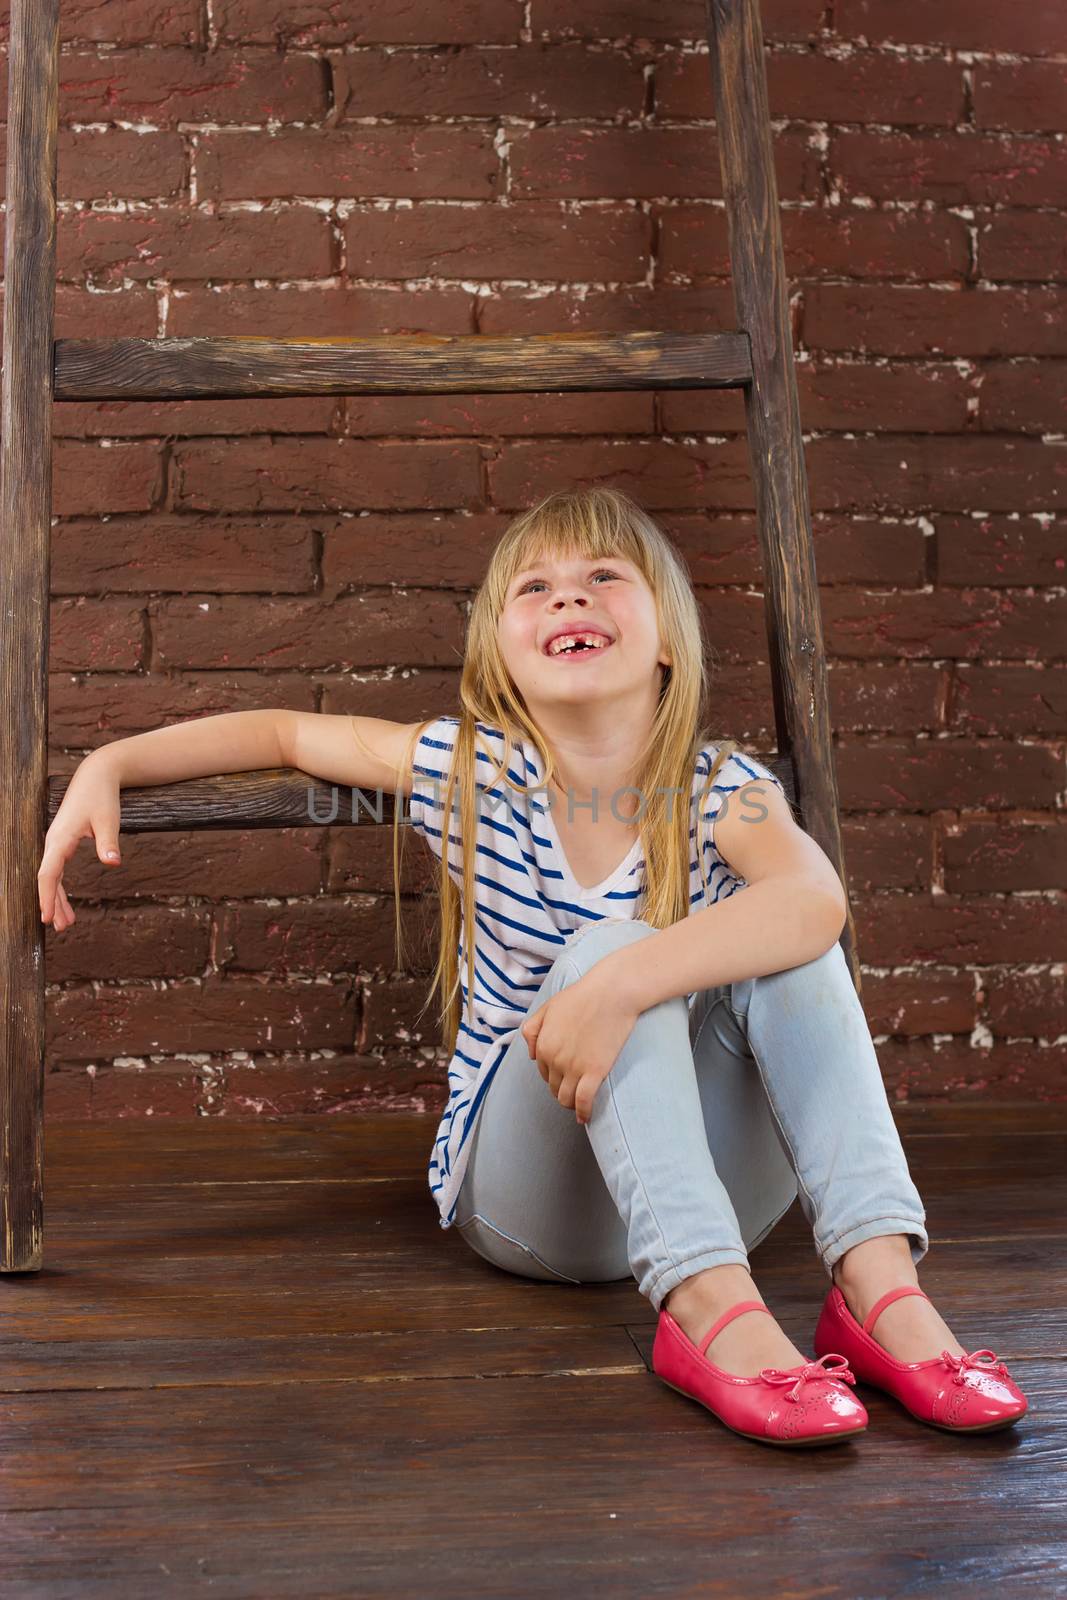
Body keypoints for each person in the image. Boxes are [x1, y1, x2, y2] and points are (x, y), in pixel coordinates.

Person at [38, 485, 1029, 1449]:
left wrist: (621, 984)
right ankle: (708, 1312)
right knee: (615, 943)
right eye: (534, 587)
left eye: (604, 574)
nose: (568, 596)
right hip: (530, 1202)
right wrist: (109, 764)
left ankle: (879, 1290)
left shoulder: (726, 790)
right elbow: (285, 733)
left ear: (668, 642)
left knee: (781, 942)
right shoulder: (472, 771)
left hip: (709, 1180)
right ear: (500, 656)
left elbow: (814, 903)